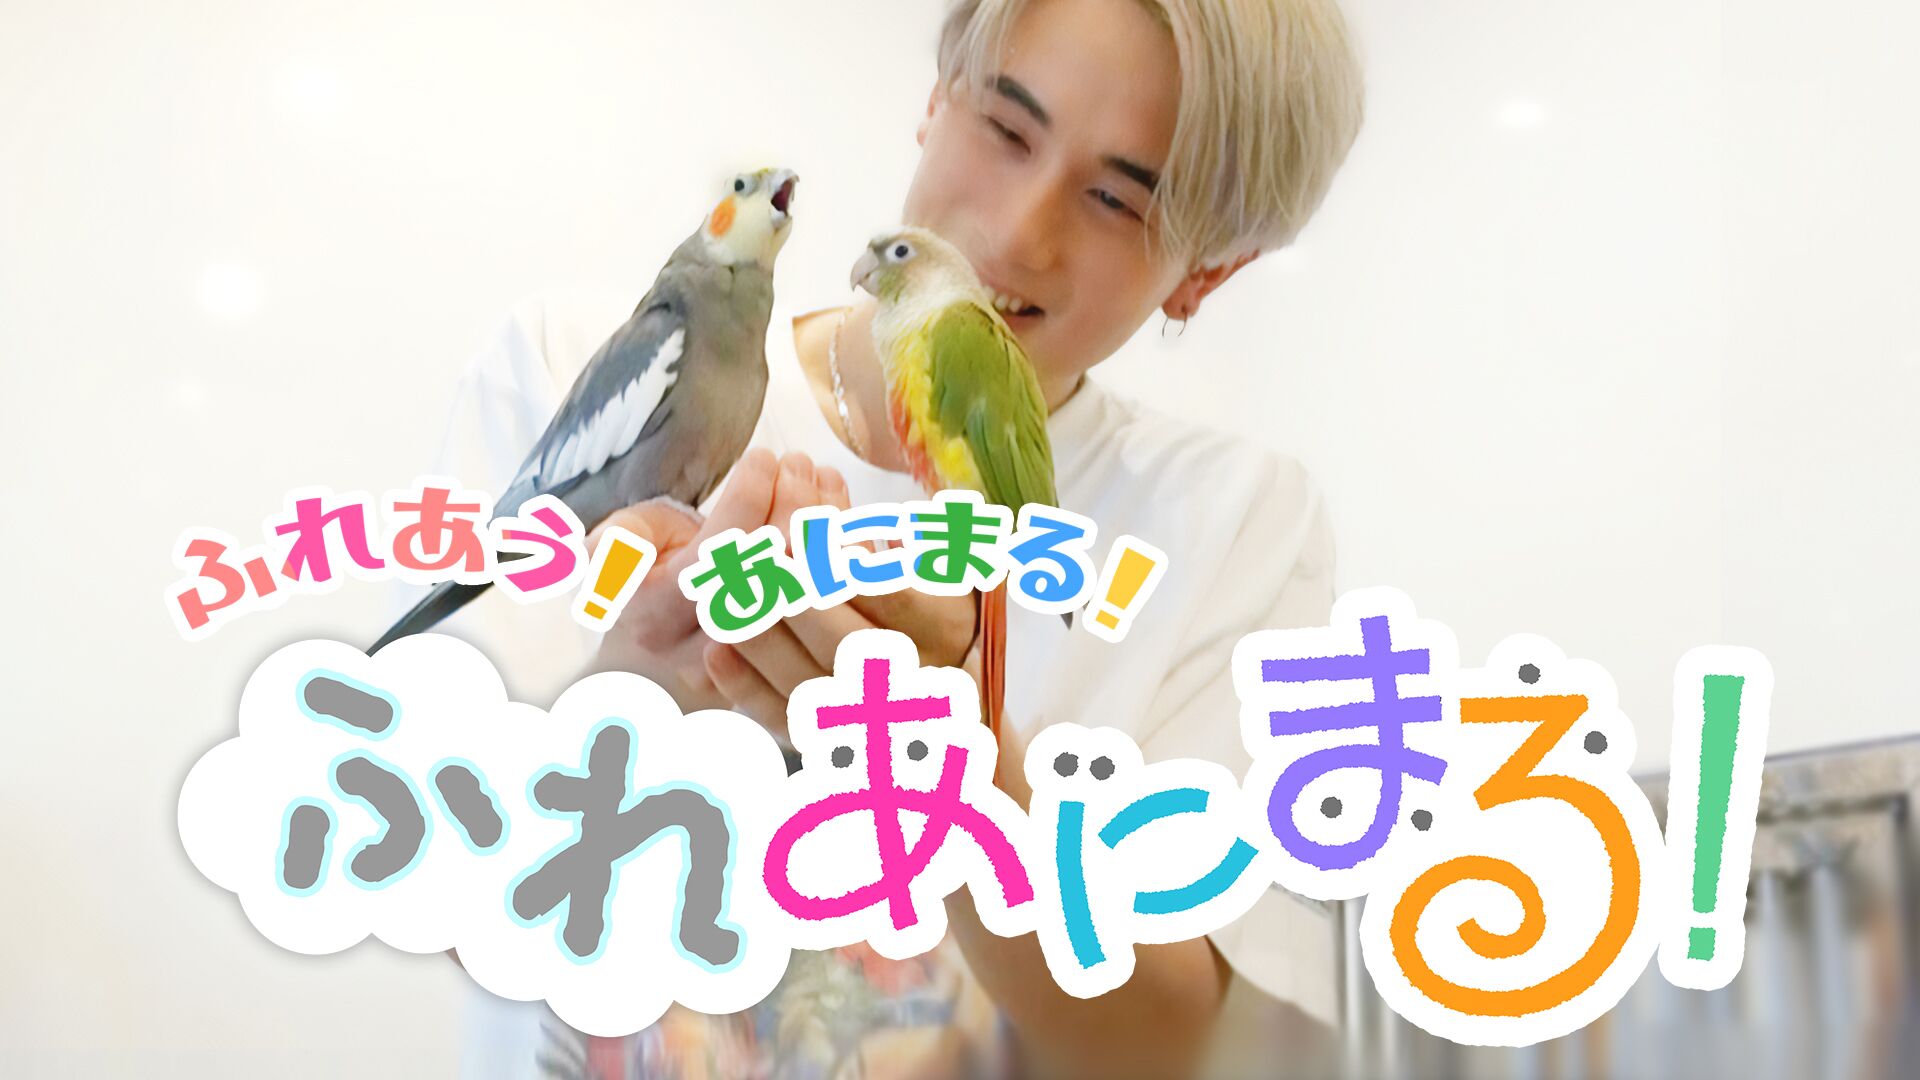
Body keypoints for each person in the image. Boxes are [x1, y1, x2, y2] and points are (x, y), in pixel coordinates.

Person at [414, 1, 1366, 1076]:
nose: (1018, 233)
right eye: (1006, 129)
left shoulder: (1234, 520)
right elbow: (433, 881)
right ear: (937, 98)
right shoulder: (586, 362)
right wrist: (633, 696)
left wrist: (964, 772)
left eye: (1115, 199)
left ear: (1209, 272)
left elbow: (1185, 1046)